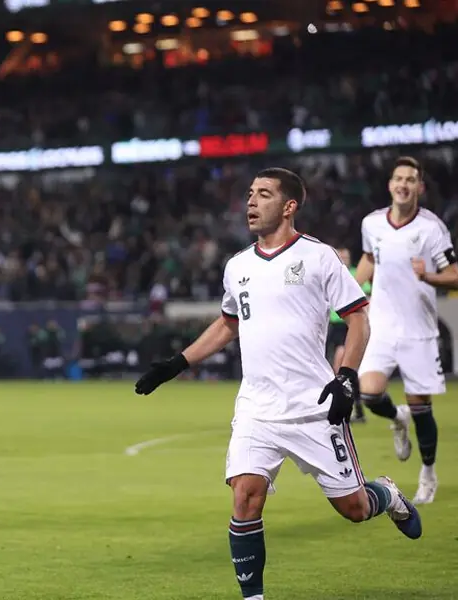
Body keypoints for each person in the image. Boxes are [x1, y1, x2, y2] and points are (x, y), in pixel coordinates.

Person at [134, 168, 422, 600]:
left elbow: (358, 318)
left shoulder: (319, 257)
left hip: (314, 407)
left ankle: (389, 494)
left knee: (354, 508)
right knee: (245, 500)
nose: (251, 201)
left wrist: (346, 377)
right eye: (250, 193)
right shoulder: (238, 266)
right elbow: (229, 324)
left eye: (264, 194)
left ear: (289, 207)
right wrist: (178, 362)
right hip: (257, 408)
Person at [354, 156, 457, 505]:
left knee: (421, 407)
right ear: (390, 185)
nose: (403, 184)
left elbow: (454, 273)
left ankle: (428, 473)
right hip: (381, 325)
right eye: (398, 178)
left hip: (418, 330)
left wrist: (428, 276)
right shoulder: (372, 224)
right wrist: (352, 288)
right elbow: (369, 258)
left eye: (410, 180)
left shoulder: (432, 228)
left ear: (420, 188)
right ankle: (396, 417)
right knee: (368, 393)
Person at [326, 246, 371, 422]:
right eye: (341, 256)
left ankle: (350, 407)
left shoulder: (355, 275)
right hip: (333, 326)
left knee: (341, 365)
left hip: (348, 325)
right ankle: (357, 409)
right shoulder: (331, 274)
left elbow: (365, 298)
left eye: (346, 256)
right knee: (339, 368)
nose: (343, 259)